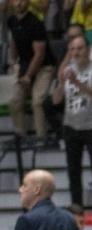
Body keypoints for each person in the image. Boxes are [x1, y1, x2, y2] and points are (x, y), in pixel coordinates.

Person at [52, 35, 92, 212]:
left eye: (79, 48)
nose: (76, 52)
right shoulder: (67, 70)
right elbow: (55, 100)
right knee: (73, 170)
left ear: (88, 50)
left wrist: (77, 82)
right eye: (72, 49)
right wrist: (61, 83)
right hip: (71, 125)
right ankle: (76, 206)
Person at [7, 0, 57, 142]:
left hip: (45, 66)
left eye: (22, 0)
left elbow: (39, 54)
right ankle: (21, 138)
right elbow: (14, 41)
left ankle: (41, 138)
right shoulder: (11, 21)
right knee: (14, 101)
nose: (19, 3)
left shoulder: (35, 23)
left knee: (37, 101)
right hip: (24, 64)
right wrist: (13, 62)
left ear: (28, 2)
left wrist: (28, 76)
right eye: (16, 0)